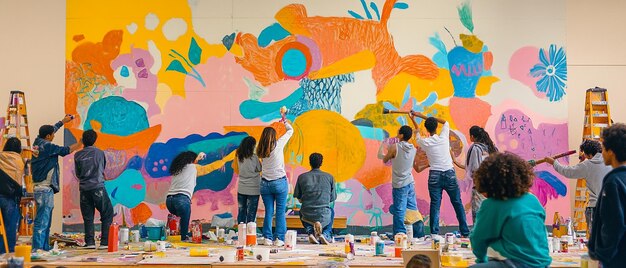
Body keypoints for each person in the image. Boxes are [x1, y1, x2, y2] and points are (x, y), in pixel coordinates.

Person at [470, 152, 551, 267]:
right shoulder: (533, 200)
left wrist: (481, 261)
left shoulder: (492, 204)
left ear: (490, 185)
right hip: (542, 264)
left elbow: (478, 240)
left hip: (514, 264)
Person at [412, 112, 469, 237]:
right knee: (457, 202)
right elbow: (445, 122)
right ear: (436, 127)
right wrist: (422, 116)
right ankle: (465, 231)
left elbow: (416, 133)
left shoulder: (425, 142)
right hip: (449, 173)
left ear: (426, 129)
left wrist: (413, 119)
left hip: (434, 175)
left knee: (435, 204)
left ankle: (434, 234)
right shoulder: (444, 136)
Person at [32, 115, 81, 251]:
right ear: (48, 136)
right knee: (42, 222)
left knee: (45, 221)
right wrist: (79, 144)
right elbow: (66, 150)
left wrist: (62, 122)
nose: (53, 136)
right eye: (52, 135)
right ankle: (37, 250)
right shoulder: (47, 146)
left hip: (42, 188)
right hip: (44, 188)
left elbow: (51, 129)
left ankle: (44, 248)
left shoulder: (38, 141)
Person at [543, 139, 611, 235]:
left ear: (589, 154)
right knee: (609, 237)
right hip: (611, 206)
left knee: (596, 239)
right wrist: (583, 161)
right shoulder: (610, 162)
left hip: (595, 207)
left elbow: (568, 172)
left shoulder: (588, 165)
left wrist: (554, 163)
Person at [166, 150, 235, 241]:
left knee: (176, 224)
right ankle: (183, 238)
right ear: (192, 160)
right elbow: (208, 168)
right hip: (182, 200)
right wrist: (223, 161)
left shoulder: (177, 170)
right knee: (184, 230)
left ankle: (172, 239)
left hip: (169, 200)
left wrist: (197, 158)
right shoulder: (193, 167)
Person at [380, 113, 424, 238]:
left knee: (399, 210)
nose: (397, 134)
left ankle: (400, 233)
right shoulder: (413, 148)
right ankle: (418, 233)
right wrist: (413, 119)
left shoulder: (395, 147)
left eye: (398, 132)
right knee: (412, 209)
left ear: (402, 135)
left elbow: (385, 159)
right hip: (410, 182)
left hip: (400, 184)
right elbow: (418, 131)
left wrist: (386, 149)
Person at [589, 123, 626, 267]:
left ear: (611, 151)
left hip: (616, 258)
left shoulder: (613, 182)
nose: (602, 152)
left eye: (603, 148)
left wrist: (603, 255)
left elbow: (614, 223)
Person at [257, 111, 293, 246]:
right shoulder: (278, 145)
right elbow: (291, 131)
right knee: (280, 212)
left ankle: (267, 237)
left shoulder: (260, 149)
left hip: (265, 184)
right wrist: (284, 122)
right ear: (274, 136)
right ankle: (279, 239)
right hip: (279, 182)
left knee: (268, 212)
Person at [74, 130, 113, 249]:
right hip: (97, 187)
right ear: (95, 140)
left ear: (83, 140)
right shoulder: (99, 153)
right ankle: (104, 242)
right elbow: (102, 167)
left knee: (88, 216)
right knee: (107, 212)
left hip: (84, 189)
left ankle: (90, 242)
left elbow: (78, 173)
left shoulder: (77, 155)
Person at [452, 126, 498, 223]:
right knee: (492, 211)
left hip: (480, 186)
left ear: (472, 136)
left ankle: (479, 234)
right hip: (493, 185)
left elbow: (474, 168)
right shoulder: (492, 148)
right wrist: (455, 161)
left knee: (478, 213)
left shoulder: (475, 148)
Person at [294, 153, 336, 244]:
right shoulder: (330, 177)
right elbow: (332, 198)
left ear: (310, 162)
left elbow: (299, 198)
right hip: (323, 214)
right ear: (321, 163)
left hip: (307, 214)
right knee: (331, 211)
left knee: (301, 211)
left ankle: (310, 233)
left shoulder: (302, 177)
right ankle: (325, 234)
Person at [0, 138, 25, 253]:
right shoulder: (19, 160)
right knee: (10, 225)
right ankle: (8, 250)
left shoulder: (1, 157)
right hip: (10, 197)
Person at [233, 136, 262, 224]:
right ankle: (250, 233)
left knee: (241, 211)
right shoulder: (254, 157)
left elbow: (237, 169)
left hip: (242, 187)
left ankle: (241, 231)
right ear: (252, 146)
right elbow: (259, 168)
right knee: (251, 212)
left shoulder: (238, 155)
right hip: (254, 188)